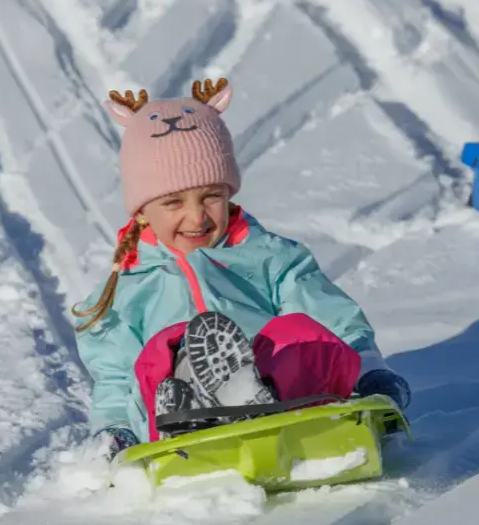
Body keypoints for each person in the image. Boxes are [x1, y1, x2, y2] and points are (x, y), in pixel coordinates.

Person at [72, 81, 411, 460]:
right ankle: (195, 404)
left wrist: (367, 371)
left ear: (229, 193)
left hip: (281, 391)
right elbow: (116, 375)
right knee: (159, 354)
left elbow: (331, 315)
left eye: (211, 196)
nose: (196, 216)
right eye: (173, 202)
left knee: (298, 334)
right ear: (140, 211)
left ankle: (248, 394)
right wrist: (115, 430)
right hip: (172, 415)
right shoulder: (129, 287)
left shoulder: (269, 257)